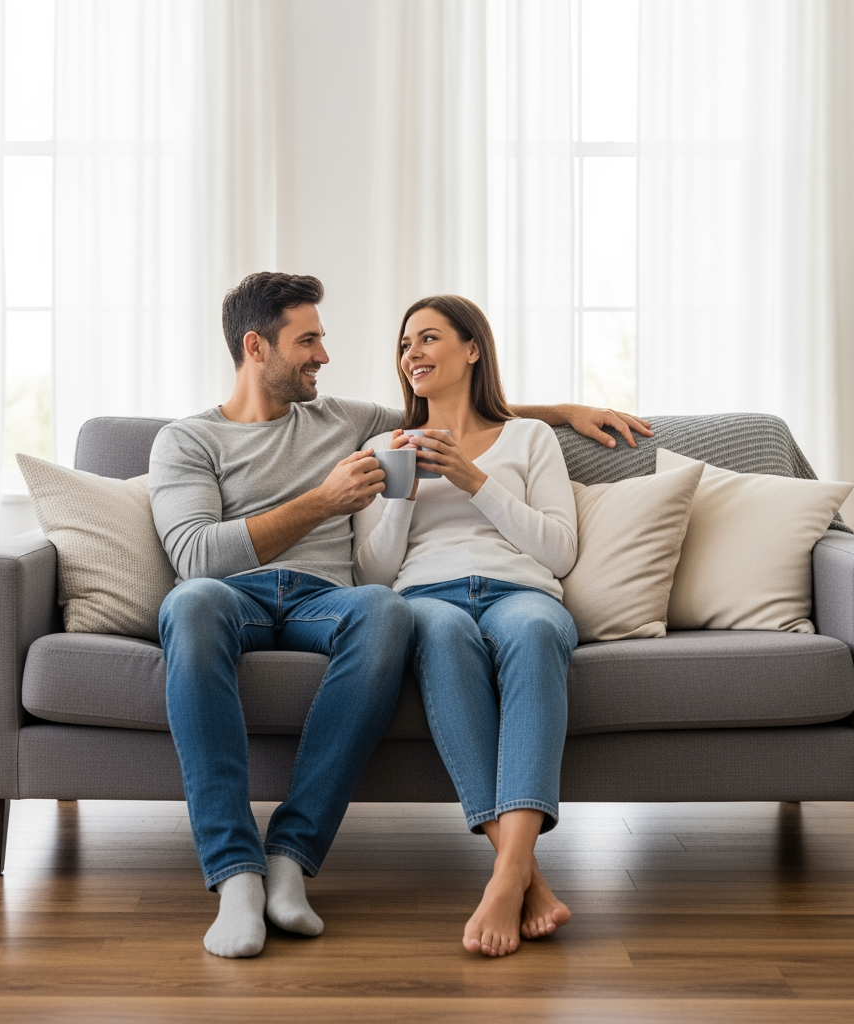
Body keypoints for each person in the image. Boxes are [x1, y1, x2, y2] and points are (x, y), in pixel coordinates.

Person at [150, 272, 653, 960]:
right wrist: (326, 501)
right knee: (191, 601)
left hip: (329, 600)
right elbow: (196, 556)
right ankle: (237, 873)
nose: (325, 355)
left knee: (387, 610)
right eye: (309, 341)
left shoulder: (348, 421)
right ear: (256, 348)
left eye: (322, 339)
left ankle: (292, 858)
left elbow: (449, 410)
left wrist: (563, 410)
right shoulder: (186, 440)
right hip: (232, 593)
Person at [352, 295, 653, 958]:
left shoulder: (529, 439)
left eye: (428, 339)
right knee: (440, 635)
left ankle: (508, 873)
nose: (413, 355)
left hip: (522, 590)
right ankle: (524, 873)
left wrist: (474, 479)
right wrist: (398, 499)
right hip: (427, 595)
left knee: (537, 632)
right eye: (405, 346)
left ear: (472, 349)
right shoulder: (383, 446)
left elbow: (560, 551)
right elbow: (373, 575)